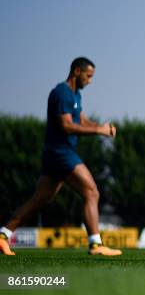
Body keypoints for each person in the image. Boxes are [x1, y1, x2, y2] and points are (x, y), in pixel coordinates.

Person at [0, 57, 121, 256]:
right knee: (92, 192)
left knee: (40, 199)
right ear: (77, 72)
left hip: (56, 154)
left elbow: (81, 119)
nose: (90, 81)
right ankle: (95, 244)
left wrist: (102, 127)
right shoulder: (61, 93)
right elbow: (66, 125)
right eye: (88, 76)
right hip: (61, 153)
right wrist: (99, 130)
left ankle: (3, 235)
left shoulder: (75, 95)